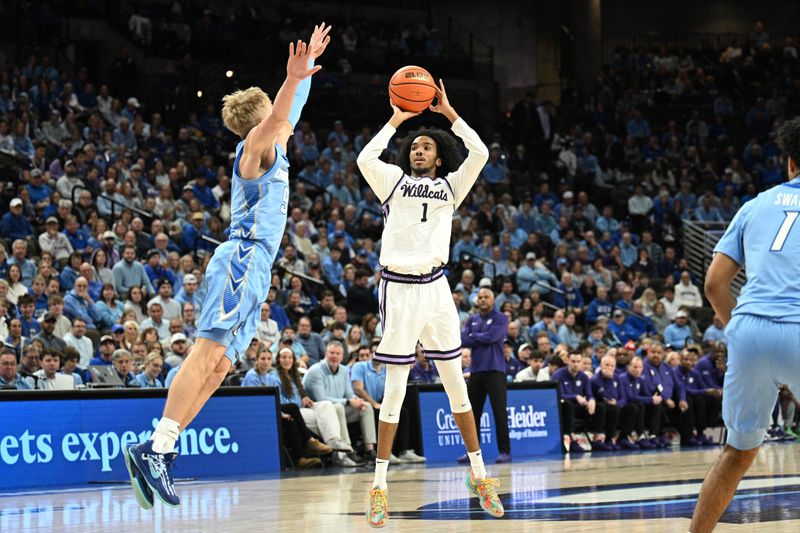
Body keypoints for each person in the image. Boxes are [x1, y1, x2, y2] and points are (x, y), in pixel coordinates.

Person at [125, 24, 332, 510]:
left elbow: (289, 112)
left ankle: (159, 447)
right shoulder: (252, 150)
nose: (284, 119)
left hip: (256, 268)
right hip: (240, 258)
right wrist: (290, 79)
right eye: (274, 114)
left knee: (219, 368)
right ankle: (157, 448)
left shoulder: (275, 141)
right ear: (257, 120)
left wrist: (303, 77)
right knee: (204, 353)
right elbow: (281, 114)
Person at [357, 76, 502, 525]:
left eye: (426, 146)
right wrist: (396, 119)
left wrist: (450, 115)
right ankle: (379, 486)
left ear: (438, 158)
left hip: (437, 288)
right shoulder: (393, 183)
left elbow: (480, 153)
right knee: (396, 390)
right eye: (413, 146)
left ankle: (479, 476)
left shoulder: (450, 189)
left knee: (456, 383)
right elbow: (365, 157)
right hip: (399, 289)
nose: (418, 150)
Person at [690, 118, 800, 533]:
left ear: (790, 163)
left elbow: (714, 283)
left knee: (737, 452)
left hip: (749, 329)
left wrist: (740, 328)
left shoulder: (754, 205)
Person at [460, 288, 511, 463]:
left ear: (493, 299)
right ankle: (472, 453)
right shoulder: (472, 319)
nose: (482, 300)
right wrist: (479, 336)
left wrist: (474, 336)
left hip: (495, 370)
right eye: (480, 297)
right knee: (472, 414)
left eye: (486, 297)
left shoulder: (501, 318)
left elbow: (492, 337)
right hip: (476, 371)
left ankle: (505, 451)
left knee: (499, 412)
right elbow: (463, 340)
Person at [303, 341, 376, 463]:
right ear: (326, 354)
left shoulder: (343, 371)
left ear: (342, 356)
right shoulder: (315, 371)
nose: (334, 356)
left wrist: (357, 400)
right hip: (319, 411)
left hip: (339, 408)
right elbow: (321, 398)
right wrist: (347, 401)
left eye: (338, 353)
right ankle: (348, 450)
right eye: (332, 353)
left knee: (367, 406)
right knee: (338, 407)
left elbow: (349, 393)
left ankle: (369, 450)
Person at [351, 345, 426, 464]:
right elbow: (358, 389)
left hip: (380, 403)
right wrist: (374, 403)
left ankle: (404, 451)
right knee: (378, 413)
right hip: (362, 404)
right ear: (371, 354)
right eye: (374, 352)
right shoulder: (360, 366)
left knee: (403, 413)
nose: (377, 355)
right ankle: (384, 453)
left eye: (380, 352)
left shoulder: (386, 369)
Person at [552, 352, 610, 453]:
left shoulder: (583, 376)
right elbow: (557, 394)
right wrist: (575, 396)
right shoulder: (558, 375)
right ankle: (572, 440)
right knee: (568, 405)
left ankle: (597, 439)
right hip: (564, 408)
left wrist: (592, 401)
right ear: (567, 361)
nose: (576, 364)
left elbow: (589, 394)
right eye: (573, 361)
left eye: (578, 361)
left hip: (579, 407)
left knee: (600, 406)